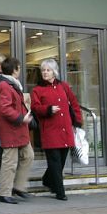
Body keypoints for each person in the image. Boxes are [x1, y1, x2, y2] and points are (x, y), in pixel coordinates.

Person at [31, 58, 82, 201]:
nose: (45, 73)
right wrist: (48, 109)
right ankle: (60, 192)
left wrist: (77, 121)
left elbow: (74, 103)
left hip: (65, 129)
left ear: (54, 72)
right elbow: (35, 107)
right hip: (50, 130)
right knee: (54, 162)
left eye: (48, 70)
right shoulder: (37, 89)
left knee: (61, 161)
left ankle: (48, 180)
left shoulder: (64, 86)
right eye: (43, 70)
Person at [0, 56, 34, 204]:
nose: (20, 70)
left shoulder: (12, 84)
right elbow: (5, 108)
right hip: (11, 128)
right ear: (14, 69)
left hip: (19, 128)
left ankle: (19, 187)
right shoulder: (5, 85)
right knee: (10, 162)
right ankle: (4, 193)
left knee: (28, 156)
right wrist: (20, 118)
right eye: (19, 67)